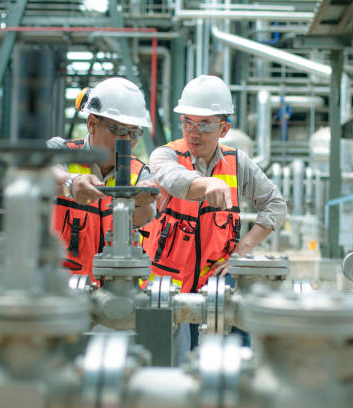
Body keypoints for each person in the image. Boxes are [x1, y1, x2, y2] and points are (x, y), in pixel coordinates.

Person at [143, 75, 287, 350]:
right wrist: (206, 183)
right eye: (187, 122)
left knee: (236, 347)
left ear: (223, 129)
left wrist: (241, 251)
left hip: (215, 278)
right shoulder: (165, 155)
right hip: (165, 284)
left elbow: (275, 205)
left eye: (204, 125)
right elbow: (174, 180)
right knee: (167, 363)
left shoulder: (237, 162)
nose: (193, 132)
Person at [49, 77, 157, 281]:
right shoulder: (62, 152)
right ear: (92, 123)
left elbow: (143, 219)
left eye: (133, 132)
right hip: (59, 292)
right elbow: (40, 170)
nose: (126, 141)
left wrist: (138, 203)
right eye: (118, 130)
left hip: (114, 293)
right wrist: (70, 183)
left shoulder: (141, 174)